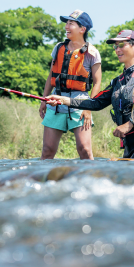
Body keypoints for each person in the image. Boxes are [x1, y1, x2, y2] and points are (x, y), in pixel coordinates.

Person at [47, 29, 134, 160]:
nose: (117, 50)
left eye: (121, 45)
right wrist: (63, 100)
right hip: (129, 145)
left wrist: (130, 124)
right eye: (115, 46)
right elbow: (95, 103)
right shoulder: (118, 81)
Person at [39, 10, 102, 160]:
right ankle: (44, 181)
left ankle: (90, 180)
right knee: (47, 150)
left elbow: (97, 82)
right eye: (66, 23)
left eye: (71, 23)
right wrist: (44, 99)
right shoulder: (59, 48)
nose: (66, 26)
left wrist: (88, 108)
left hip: (80, 102)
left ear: (82, 29)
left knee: (84, 150)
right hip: (55, 101)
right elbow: (51, 77)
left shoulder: (92, 53)